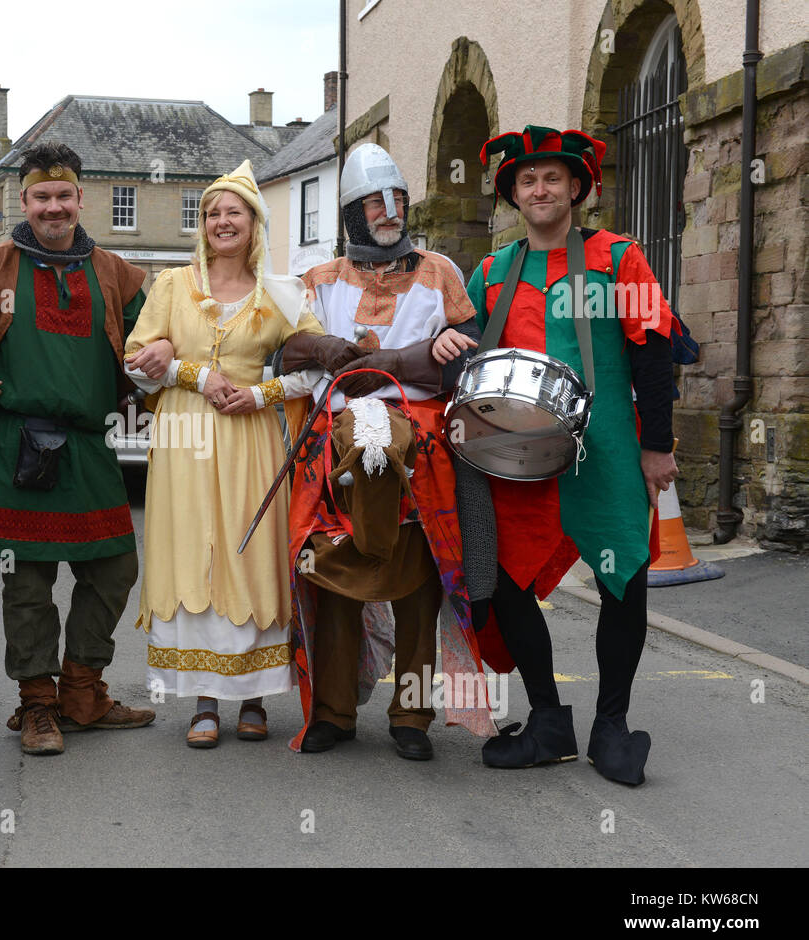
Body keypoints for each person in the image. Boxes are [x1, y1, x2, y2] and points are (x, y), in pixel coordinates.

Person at [467, 125, 678, 785]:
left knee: (624, 575)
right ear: (513, 193)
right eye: (527, 180)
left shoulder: (620, 258)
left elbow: (655, 347)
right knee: (500, 579)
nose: (539, 188)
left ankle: (610, 725)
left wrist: (656, 446)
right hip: (516, 453)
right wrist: (447, 346)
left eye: (551, 177)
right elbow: (468, 348)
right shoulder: (492, 271)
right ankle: (549, 719)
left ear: (576, 186)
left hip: (609, 446)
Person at [278, 143, 496, 760]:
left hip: (421, 446)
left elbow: (468, 354)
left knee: (419, 586)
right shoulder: (317, 280)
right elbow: (282, 353)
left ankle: (413, 718)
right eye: (375, 200)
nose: (389, 209)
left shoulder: (441, 272)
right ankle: (332, 712)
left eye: (397, 198)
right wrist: (319, 349)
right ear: (351, 211)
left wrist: (401, 361)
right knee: (330, 574)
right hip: (333, 446)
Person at [0, 142, 155, 756]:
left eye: (63, 195)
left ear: (80, 199)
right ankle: (37, 704)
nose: (53, 206)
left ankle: (82, 690)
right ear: (24, 200)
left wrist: (164, 352)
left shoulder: (119, 275)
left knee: (116, 566)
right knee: (28, 580)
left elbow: (156, 339)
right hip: (13, 444)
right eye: (41, 196)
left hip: (90, 445)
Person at [125, 160, 326, 748]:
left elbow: (315, 369)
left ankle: (255, 696)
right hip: (185, 436)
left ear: (255, 222)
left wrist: (262, 391)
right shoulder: (170, 287)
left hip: (251, 436)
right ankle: (204, 701)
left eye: (232, 211)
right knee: (193, 552)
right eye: (212, 212)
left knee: (249, 552)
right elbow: (137, 368)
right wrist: (192, 371)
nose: (220, 221)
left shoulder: (283, 293)